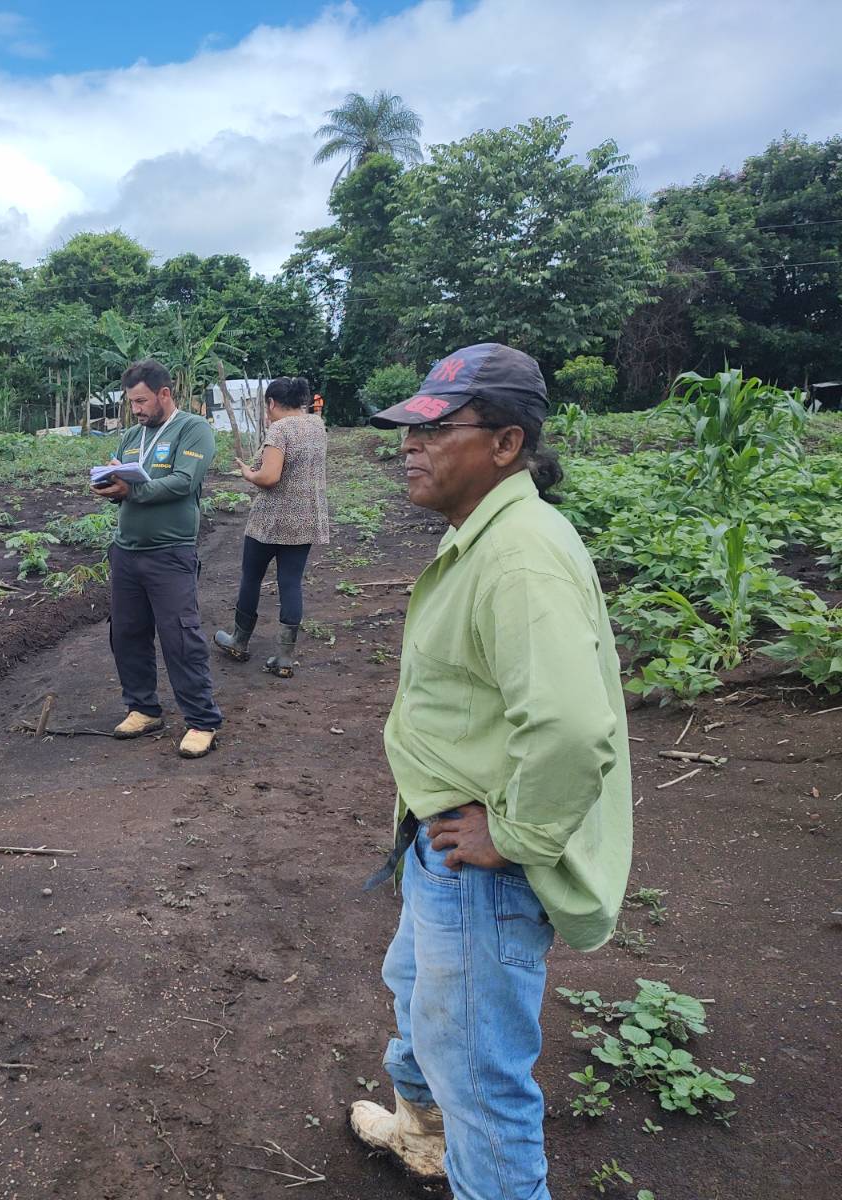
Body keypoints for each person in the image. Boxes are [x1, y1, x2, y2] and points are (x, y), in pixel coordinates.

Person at [348, 343, 633, 1199]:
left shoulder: (516, 558)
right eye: (408, 430)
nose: (411, 446)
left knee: (482, 1081)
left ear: (506, 445)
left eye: (436, 431)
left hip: (482, 866)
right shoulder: (493, 535)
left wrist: (512, 836)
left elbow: (574, 727)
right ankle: (420, 1135)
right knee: (416, 997)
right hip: (438, 841)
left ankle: (466, 1152)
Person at [91, 359, 222, 759]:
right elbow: (123, 477)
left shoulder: (193, 430)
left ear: (164, 394)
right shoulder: (132, 435)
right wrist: (109, 484)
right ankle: (143, 708)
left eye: (143, 401)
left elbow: (184, 482)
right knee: (126, 634)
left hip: (170, 553)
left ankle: (202, 721)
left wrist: (132, 492)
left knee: (180, 636)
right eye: (132, 403)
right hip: (126, 552)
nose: (137, 410)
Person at [213, 376, 330, 677]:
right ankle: (285, 657)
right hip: (305, 519)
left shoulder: (280, 429)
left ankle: (239, 641)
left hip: (271, 520)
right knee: (290, 582)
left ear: (271, 403)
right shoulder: (317, 425)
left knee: (251, 577)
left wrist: (247, 474)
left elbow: (269, 477)